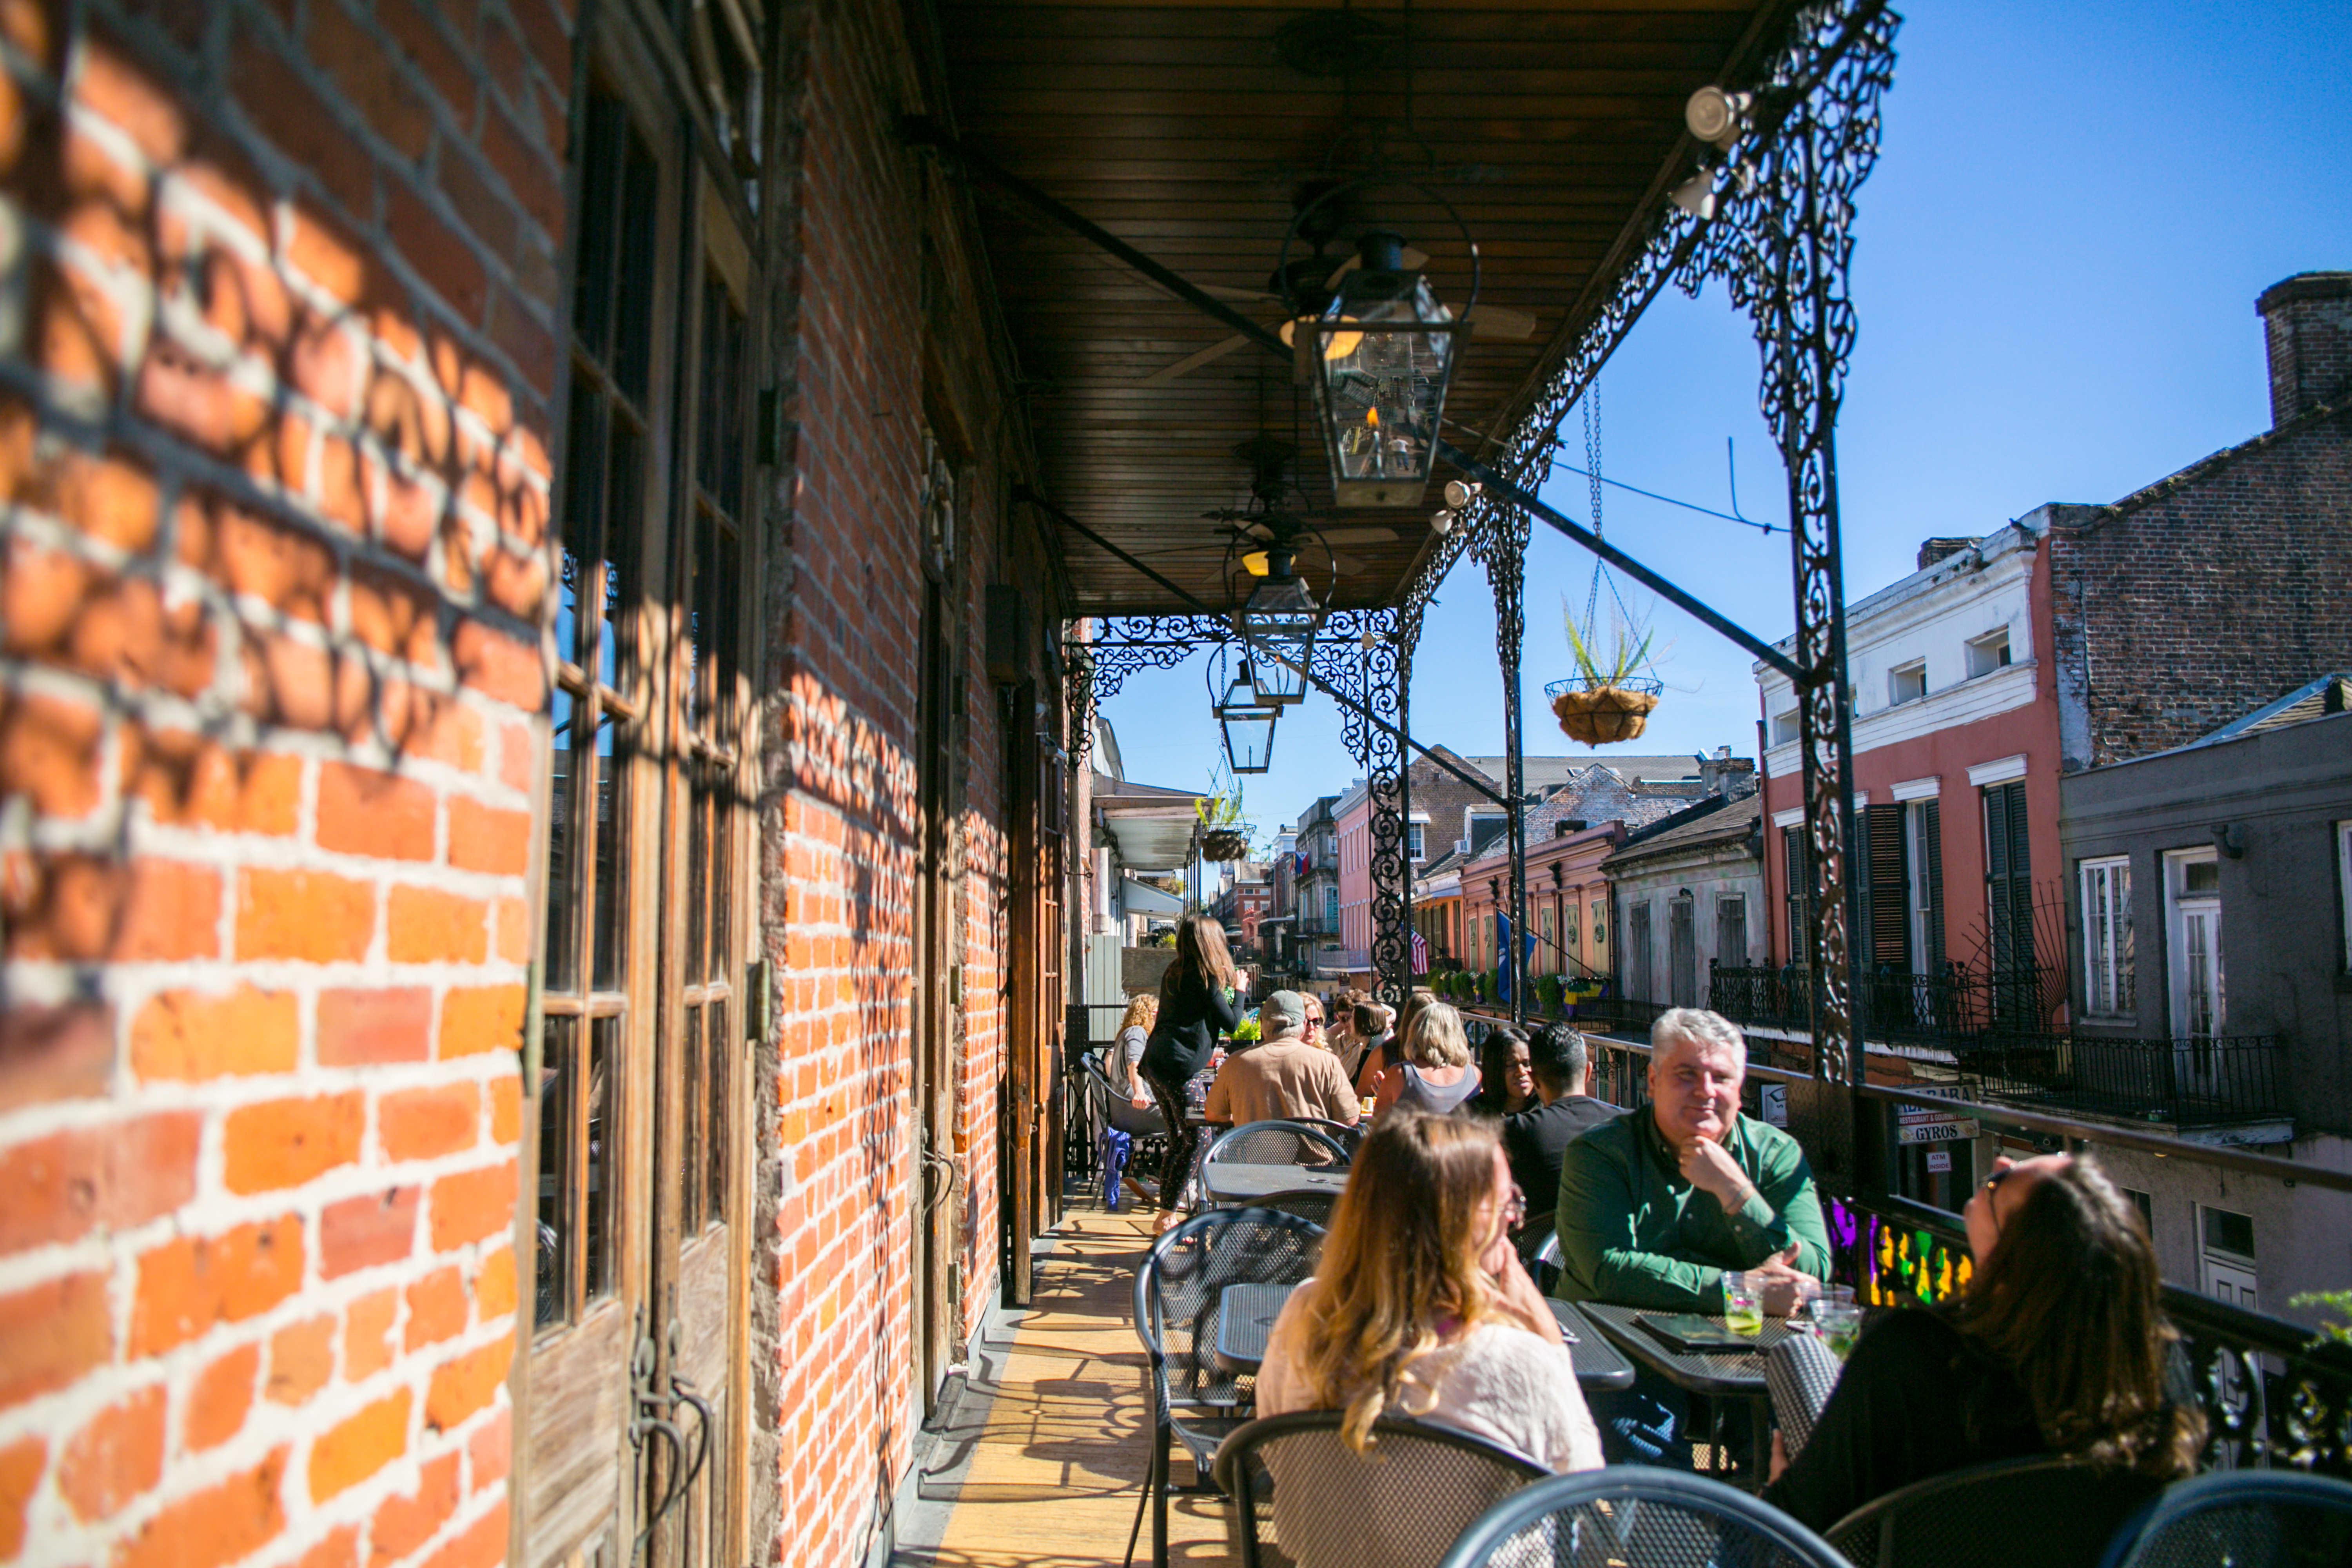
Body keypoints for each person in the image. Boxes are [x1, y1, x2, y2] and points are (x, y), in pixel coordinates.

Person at [1764, 1153, 2203, 1532]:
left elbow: (1795, 1522)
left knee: (1801, 1356)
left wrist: (1786, 1491)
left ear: (2005, 1264)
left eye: (1999, 1182)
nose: (2000, 1163)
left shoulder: (1914, 1355)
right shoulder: (2154, 1367)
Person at [1553, 1007, 1830, 1463]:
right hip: (1620, 1348)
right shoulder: (1601, 1153)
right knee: (1640, 1446)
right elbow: (1608, 1268)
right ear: (1652, 1081)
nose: (1705, 1092)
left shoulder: (1776, 1154)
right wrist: (1741, 1290)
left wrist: (1735, 1190)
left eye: (1721, 1078)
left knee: (1808, 1438)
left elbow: (1811, 1269)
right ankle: (1672, 1535)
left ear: (1740, 1092)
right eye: (1686, 1074)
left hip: (1747, 1352)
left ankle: (1770, 1532)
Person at [1257, 1109, 1603, 1474]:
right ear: (1466, 1223)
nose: (1513, 1219)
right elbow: (1581, 1490)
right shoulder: (1518, 1364)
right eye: (1506, 1204)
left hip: (1320, 1532)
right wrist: (1549, 1343)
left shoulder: (1306, 1314)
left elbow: (1274, 1454)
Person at [1139, 914, 1243, 1234]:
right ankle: (1168, 1215)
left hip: (1157, 1061)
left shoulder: (1176, 971)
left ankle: (1165, 1212)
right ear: (1212, 943)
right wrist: (1240, 990)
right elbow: (1233, 1024)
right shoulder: (1205, 977)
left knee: (1180, 1141)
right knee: (1200, 1138)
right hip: (1180, 1067)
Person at [1501, 1022, 1618, 1253]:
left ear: (1534, 1078)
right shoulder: (1628, 1125)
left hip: (1541, 1267)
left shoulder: (1514, 1132)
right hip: (1620, 1265)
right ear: (1588, 1071)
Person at [1203, 991, 1361, 1130]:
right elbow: (1350, 1118)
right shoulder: (1328, 1063)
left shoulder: (1235, 1063)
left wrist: (1245, 1119)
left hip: (1254, 1162)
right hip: (1314, 1163)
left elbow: (1213, 1114)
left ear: (1262, 1024)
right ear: (1303, 1025)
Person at [1372, 1001, 1482, 1118]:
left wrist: (1386, 1092)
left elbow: (1378, 1125)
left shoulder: (1400, 1074)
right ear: (1458, 1034)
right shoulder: (1475, 1074)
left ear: (1416, 1032)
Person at [1355, 988, 1433, 1101]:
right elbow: (1360, 1097)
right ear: (1410, 1022)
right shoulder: (1384, 1053)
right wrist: (1385, 1096)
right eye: (1424, 1023)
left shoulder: (1446, 1055)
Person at [1470, 1023, 1536, 1118]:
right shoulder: (1469, 1115)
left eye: (1527, 1064)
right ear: (1493, 1069)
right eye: (1511, 1064)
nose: (1521, 1072)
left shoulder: (1547, 1111)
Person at [1111, 992, 1159, 1105]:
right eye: (1160, 1013)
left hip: (1126, 1107)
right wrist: (1140, 1093)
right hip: (1136, 1106)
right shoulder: (1137, 1032)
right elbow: (1134, 1065)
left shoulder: (1131, 1032)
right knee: (1186, 1112)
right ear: (1151, 1014)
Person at [1344, 1002, 1393, 1085]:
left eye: (1352, 1017)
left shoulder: (1373, 1049)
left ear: (1362, 1021)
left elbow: (1363, 1088)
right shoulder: (1374, 1044)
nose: (1349, 1022)